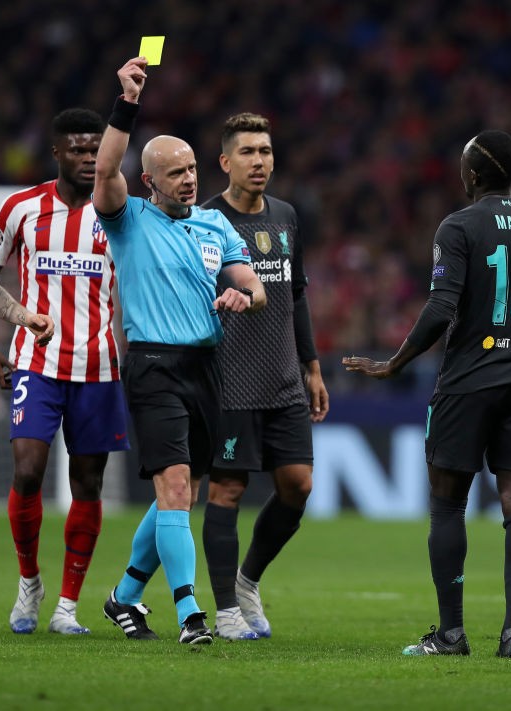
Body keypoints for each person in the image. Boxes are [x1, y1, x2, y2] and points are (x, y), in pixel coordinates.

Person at [343, 130, 511, 658]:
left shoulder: (459, 225)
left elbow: (440, 308)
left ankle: (451, 635)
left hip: (468, 382)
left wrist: (394, 363)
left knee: (448, 505)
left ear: (471, 175)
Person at [92, 57, 266, 645]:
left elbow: (253, 284)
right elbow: (106, 166)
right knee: (172, 487)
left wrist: (244, 298)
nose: (190, 179)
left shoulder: (216, 225)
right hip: (153, 364)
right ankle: (191, 614)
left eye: (193, 169)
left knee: (182, 490)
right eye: (176, 173)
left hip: (206, 367)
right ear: (150, 182)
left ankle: (124, 596)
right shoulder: (127, 220)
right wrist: (128, 102)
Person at [0, 108, 117, 636]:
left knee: (87, 483)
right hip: (36, 363)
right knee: (27, 471)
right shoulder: (21, 207)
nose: (90, 158)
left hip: (99, 364)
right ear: (58, 153)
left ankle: (66, 605)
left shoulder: (119, 211)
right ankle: (29, 583)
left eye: (97, 150)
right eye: (80, 150)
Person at [199, 112, 328, 640]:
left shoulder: (286, 216)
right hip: (227, 380)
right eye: (249, 152)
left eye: (266, 152)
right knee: (226, 491)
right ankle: (226, 608)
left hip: (282, 378)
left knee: (298, 485)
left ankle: (249, 579)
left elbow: (295, 294)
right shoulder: (203, 221)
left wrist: (312, 366)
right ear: (225, 161)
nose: (260, 162)